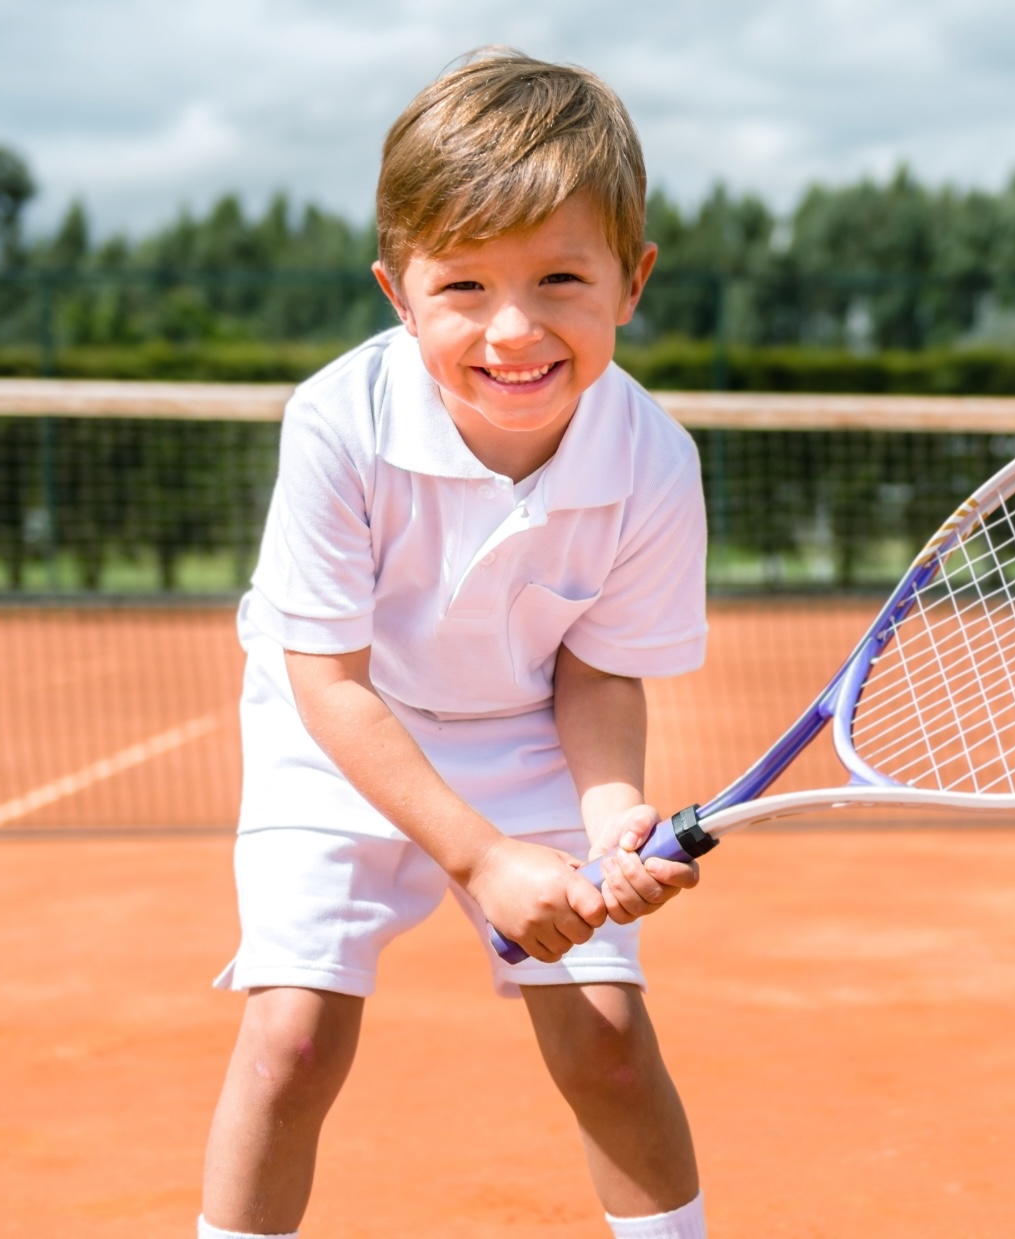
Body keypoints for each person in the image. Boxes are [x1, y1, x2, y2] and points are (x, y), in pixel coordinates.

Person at [198, 50, 709, 1239]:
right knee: (292, 1037)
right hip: (336, 730)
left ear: (632, 282)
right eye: (464, 287)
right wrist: (482, 862)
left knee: (610, 1043)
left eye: (561, 278)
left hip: (524, 728)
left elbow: (594, 663)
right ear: (397, 290)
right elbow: (325, 676)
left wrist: (608, 812)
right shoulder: (337, 423)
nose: (513, 329)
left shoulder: (653, 462)